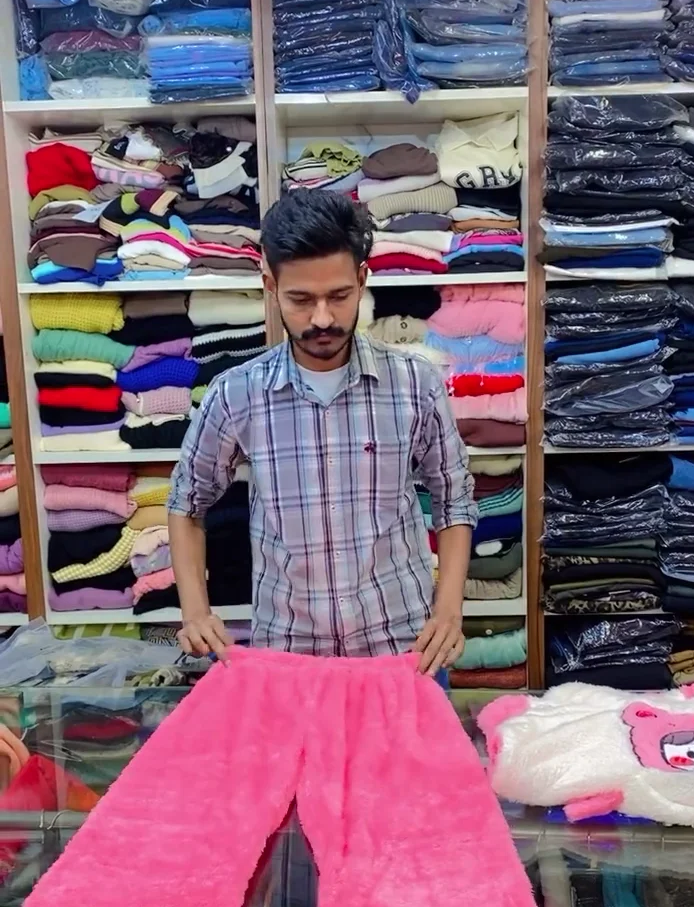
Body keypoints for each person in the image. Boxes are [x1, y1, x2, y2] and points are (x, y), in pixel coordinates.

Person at [168, 188, 476, 674]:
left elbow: (454, 498)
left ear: (362, 278)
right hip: (288, 654)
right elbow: (186, 502)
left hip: (403, 649)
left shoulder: (415, 384)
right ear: (270, 285)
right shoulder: (236, 393)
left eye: (339, 295)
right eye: (300, 299)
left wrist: (449, 611)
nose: (322, 319)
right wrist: (195, 611)